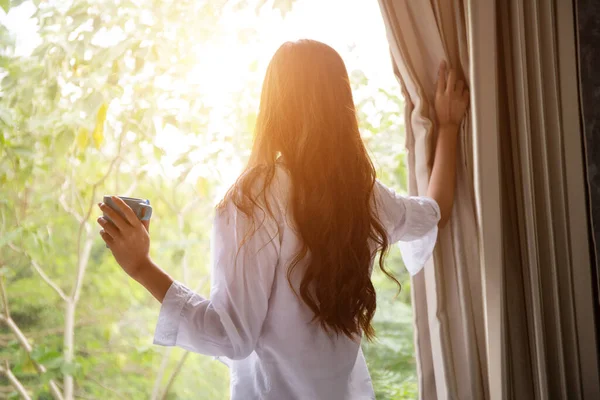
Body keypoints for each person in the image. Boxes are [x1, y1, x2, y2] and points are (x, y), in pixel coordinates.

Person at [97, 39, 469, 400]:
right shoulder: (366, 195)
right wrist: (449, 127)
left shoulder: (254, 199)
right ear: (343, 105)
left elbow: (231, 338)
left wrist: (141, 266)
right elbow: (436, 211)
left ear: (273, 106)